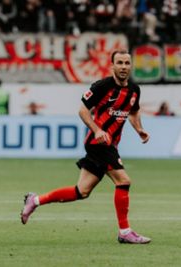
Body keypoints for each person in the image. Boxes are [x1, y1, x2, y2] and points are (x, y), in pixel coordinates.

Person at [21, 50, 151, 244]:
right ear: (112, 66)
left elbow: (133, 112)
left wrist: (139, 129)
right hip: (98, 143)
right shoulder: (102, 86)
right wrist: (97, 130)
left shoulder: (134, 90)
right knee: (123, 181)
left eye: (126, 63)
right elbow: (82, 110)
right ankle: (125, 231)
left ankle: (35, 200)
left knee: (81, 191)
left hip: (110, 144)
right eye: (120, 63)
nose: (123, 66)